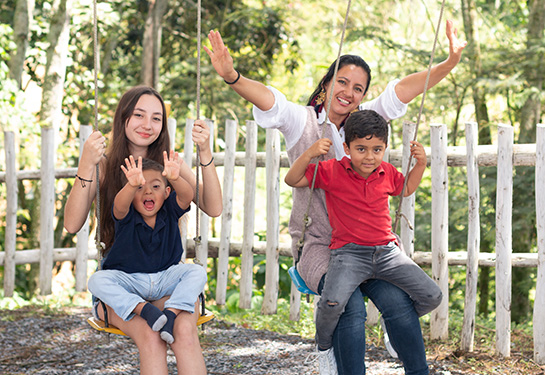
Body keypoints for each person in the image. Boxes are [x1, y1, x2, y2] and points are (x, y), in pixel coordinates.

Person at [205, 19, 466, 375]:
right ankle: (331, 355)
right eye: (342, 82)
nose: (349, 92)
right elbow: (271, 100)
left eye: (358, 88)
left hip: (368, 244)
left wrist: (449, 64)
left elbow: (404, 89)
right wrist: (233, 77)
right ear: (327, 84)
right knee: (351, 306)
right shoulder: (304, 121)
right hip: (319, 245)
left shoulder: (366, 125)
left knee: (398, 303)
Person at [64, 86, 222, 375]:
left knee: (184, 331)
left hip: (167, 281)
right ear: (123, 118)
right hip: (123, 285)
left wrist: (205, 152)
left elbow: (213, 206)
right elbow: (72, 224)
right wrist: (86, 163)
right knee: (151, 336)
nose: (147, 125)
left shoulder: (169, 166)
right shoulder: (105, 165)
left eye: (156, 118)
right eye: (139, 115)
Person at [285, 109, 442, 372]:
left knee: (432, 295)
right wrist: (310, 153)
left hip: (387, 253)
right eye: (361, 149)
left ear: (385, 148)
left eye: (377, 149)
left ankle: (391, 328)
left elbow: (406, 189)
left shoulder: (387, 171)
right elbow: (293, 179)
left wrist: (421, 165)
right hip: (348, 255)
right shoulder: (332, 170)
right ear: (346, 147)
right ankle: (324, 347)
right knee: (332, 304)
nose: (369, 156)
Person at [88, 153, 207, 345]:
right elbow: (119, 205)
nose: (148, 192)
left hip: (164, 277)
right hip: (130, 280)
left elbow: (187, 196)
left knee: (197, 272)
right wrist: (131, 184)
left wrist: (175, 177)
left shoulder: (170, 210)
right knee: (96, 280)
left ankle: (171, 313)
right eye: (140, 187)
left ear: (167, 192)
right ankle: (143, 309)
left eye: (156, 186)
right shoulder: (127, 216)